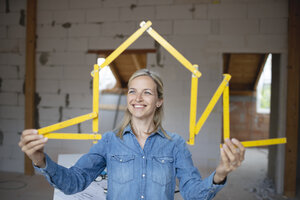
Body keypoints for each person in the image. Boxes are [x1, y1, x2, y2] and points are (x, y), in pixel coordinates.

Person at [19, 69, 245, 200]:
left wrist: (221, 173)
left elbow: (193, 194)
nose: (138, 98)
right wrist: (40, 159)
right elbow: (74, 182)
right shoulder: (109, 141)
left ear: (159, 101)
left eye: (147, 92)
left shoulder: (175, 145)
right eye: (132, 91)